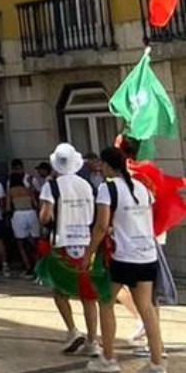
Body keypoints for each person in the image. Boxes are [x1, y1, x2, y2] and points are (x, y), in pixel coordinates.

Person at [88, 147, 165, 373]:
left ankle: (109, 359)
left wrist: (90, 253)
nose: (100, 168)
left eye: (102, 164)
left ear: (108, 165)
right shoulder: (142, 188)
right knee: (146, 307)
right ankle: (157, 362)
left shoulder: (107, 189)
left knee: (106, 302)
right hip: (147, 254)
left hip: (124, 256)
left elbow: (101, 226)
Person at [35, 143, 107, 358]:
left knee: (58, 290)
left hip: (61, 244)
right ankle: (93, 340)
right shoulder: (86, 185)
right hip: (86, 242)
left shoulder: (52, 186)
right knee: (88, 295)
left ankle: (72, 330)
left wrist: (46, 216)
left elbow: (45, 216)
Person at [7, 172, 40, 275]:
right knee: (35, 242)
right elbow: (35, 204)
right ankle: (38, 266)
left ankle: (28, 267)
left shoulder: (10, 191)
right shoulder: (28, 190)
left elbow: (7, 207)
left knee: (20, 243)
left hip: (18, 214)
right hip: (31, 213)